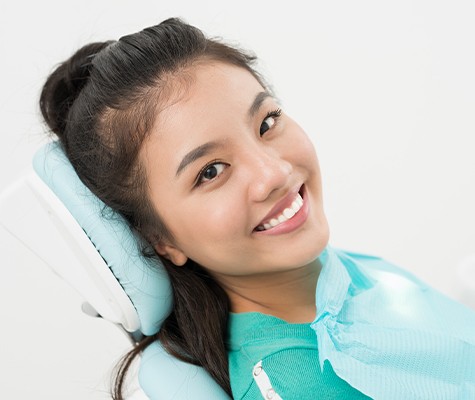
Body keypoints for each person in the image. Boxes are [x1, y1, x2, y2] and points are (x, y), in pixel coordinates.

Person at [39, 18, 475, 400]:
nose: (275, 172)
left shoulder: (330, 278)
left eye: (266, 122)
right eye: (210, 171)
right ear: (160, 239)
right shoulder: (294, 381)